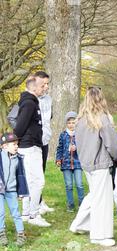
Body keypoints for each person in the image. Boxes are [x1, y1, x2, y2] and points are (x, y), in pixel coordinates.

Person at [69, 87, 117, 247]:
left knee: (94, 195)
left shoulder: (79, 120)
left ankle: (78, 224)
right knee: (102, 200)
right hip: (100, 162)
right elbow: (112, 144)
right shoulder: (102, 119)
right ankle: (100, 235)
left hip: (86, 163)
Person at [14, 76, 51, 227]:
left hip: (31, 146)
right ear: (34, 87)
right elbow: (20, 127)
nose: (45, 88)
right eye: (42, 86)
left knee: (30, 181)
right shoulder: (29, 103)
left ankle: (26, 214)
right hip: (29, 147)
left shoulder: (30, 102)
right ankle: (33, 214)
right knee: (38, 182)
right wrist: (16, 142)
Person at [0, 133, 28, 247]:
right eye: (14, 144)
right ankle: (1, 233)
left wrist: (21, 191)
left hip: (11, 190)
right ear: (4, 146)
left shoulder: (18, 158)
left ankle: (21, 234)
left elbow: (21, 176)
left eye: (17, 144)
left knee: (16, 212)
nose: (16, 146)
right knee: (0, 212)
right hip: (0, 190)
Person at [55, 111, 84, 212]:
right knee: (69, 185)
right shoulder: (63, 135)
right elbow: (59, 148)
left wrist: (77, 147)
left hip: (77, 163)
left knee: (79, 184)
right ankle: (70, 204)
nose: (71, 125)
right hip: (66, 163)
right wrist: (58, 159)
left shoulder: (80, 134)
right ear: (66, 124)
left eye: (73, 122)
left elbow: (84, 147)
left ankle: (82, 204)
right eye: (69, 123)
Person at [35, 71, 55, 215]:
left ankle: (40, 201)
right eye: (44, 84)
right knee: (35, 175)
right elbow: (14, 117)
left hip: (45, 140)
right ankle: (34, 204)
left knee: (41, 172)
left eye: (48, 84)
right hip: (33, 141)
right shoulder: (29, 98)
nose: (46, 86)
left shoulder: (48, 99)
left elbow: (49, 116)